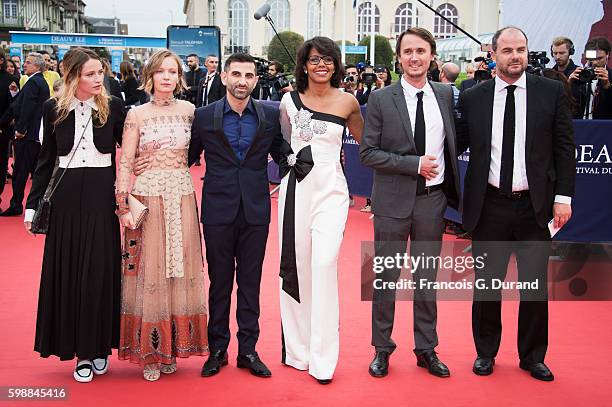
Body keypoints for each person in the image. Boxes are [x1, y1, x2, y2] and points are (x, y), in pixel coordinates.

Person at [456, 26, 575, 382]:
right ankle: (486, 352)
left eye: (520, 49)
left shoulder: (551, 92)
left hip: (535, 205)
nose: (515, 56)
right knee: (487, 286)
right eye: (507, 50)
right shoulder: (474, 97)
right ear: (493, 54)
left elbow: (564, 150)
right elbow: (455, 142)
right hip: (489, 203)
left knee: (535, 287)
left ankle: (532, 356)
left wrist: (563, 198)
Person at [360, 27, 461, 379]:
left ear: (432, 55)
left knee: (426, 279)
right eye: (407, 52)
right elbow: (367, 152)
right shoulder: (381, 98)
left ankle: (426, 348)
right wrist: (413, 164)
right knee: (385, 278)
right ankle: (382, 348)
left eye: (421, 50)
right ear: (399, 57)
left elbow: (455, 141)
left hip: (432, 203)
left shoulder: (446, 95)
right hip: (391, 202)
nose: (414, 57)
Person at [23, 47, 125, 383]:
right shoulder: (53, 108)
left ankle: (96, 348)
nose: (98, 79)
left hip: (100, 197)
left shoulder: (113, 106)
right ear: (73, 76)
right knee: (69, 274)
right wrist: (33, 205)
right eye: (91, 74)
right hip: (65, 201)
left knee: (98, 273)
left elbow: (132, 145)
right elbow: (45, 160)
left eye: (101, 73)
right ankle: (79, 352)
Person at [188, 52, 283, 379]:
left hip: (256, 211)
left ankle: (248, 350)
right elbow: (185, 157)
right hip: (217, 210)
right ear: (225, 77)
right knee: (219, 283)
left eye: (249, 76)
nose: (242, 81)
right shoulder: (204, 116)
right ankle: (217, 348)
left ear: (256, 80)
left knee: (250, 283)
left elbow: (284, 156)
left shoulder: (269, 118)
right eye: (237, 74)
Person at [116, 49, 208, 381]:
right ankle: (150, 353)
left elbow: (198, 150)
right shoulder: (136, 114)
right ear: (150, 76)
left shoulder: (191, 112)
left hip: (182, 196)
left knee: (179, 272)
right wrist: (123, 204)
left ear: (179, 77)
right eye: (161, 72)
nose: (167, 77)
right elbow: (126, 160)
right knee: (149, 272)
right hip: (148, 198)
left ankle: (173, 348)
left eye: (172, 71)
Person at [278, 36, 363, 385]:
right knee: (296, 268)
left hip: (332, 190)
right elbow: (283, 144)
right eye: (314, 59)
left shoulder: (348, 102)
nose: (321, 65)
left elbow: (367, 142)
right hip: (297, 188)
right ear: (304, 65)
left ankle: (324, 358)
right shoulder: (288, 100)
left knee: (324, 265)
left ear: (336, 64)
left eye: (328, 59)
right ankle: (298, 351)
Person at [0, 52, 49, 216]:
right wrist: (15, 93)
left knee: (20, 172)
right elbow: (22, 102)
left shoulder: (34, 82)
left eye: (28, 62)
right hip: (34, 135)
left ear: (37, 66)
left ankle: (17, 205)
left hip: (27, 136)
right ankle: (35, 206)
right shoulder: (37, 81)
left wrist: (20, 129)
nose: (24, 64)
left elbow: (27, 107)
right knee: (35, 173)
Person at [569, 36, 612, 119]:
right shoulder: (576, 75)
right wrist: (569, 84)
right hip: (578, 125)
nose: (595, 62)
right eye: (592, 58)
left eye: (599, 58)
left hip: (604, 126)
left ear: (608, 55)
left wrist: (608, 87)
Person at [0, 51, 19, 210]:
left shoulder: (11, 80)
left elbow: (13, 106)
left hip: (2, 129)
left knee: (0, 164)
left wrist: (1, 124)